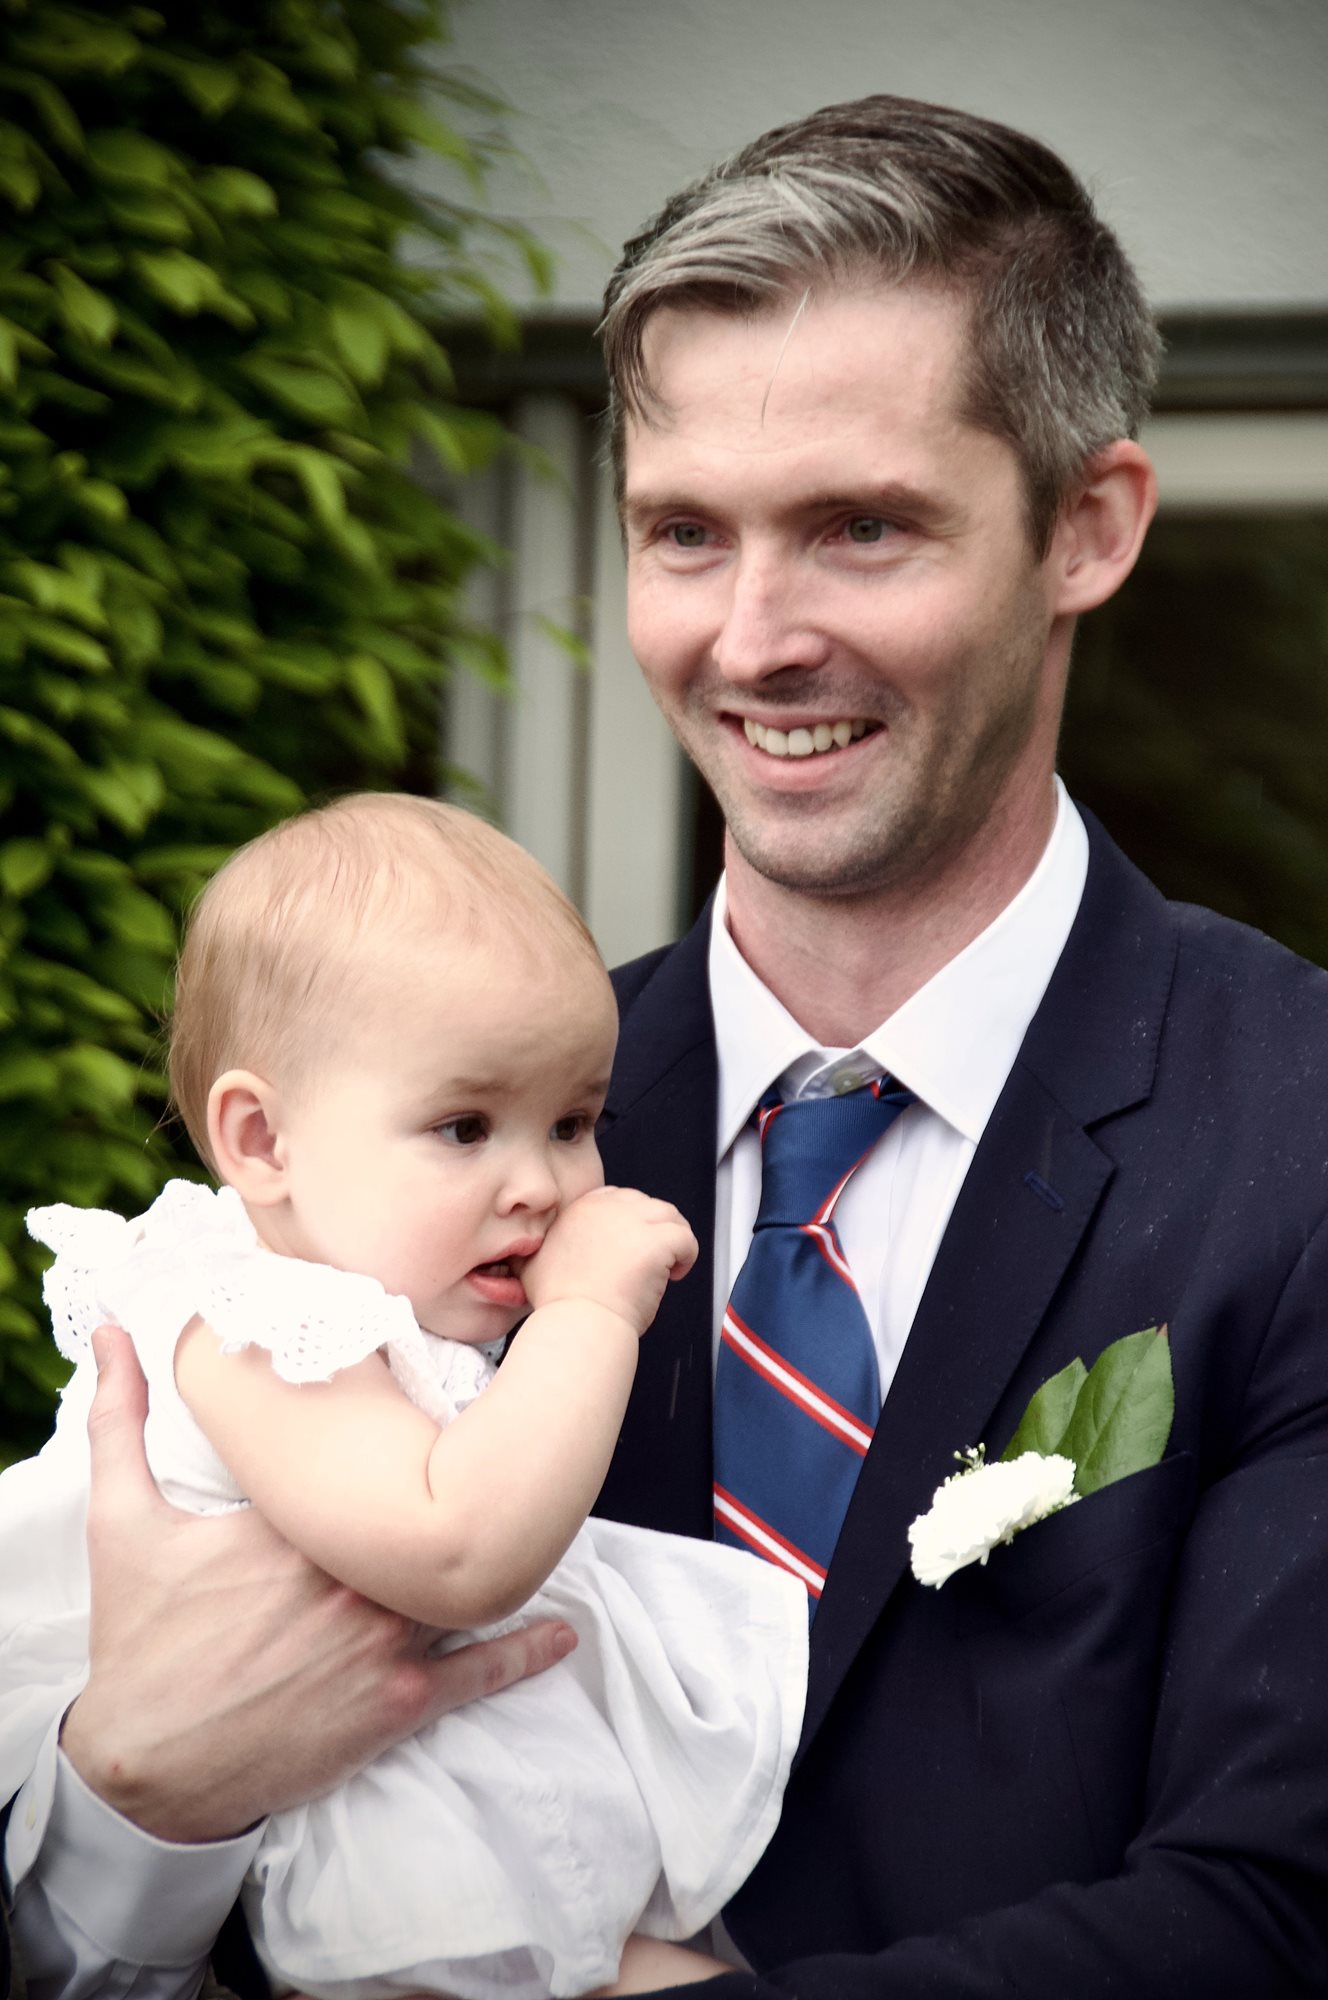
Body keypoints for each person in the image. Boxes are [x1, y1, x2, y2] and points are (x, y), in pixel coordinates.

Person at [7, 89, 1328, 1996]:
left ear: (1086, 528)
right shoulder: (429, 1147)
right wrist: (138, 1801)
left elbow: (1276, 1916)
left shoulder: (1290, 1138)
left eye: (861, 528)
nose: (752, 635)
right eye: (682, 532)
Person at [0, 795, 806, 1996]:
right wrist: (587, 1315)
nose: (538, 1182)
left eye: (573, 1121)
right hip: (331, 1821)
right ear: (262, 1138)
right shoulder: (250, 1322)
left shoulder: (376, 1300)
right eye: (464, 1125)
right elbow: (454, 1545)